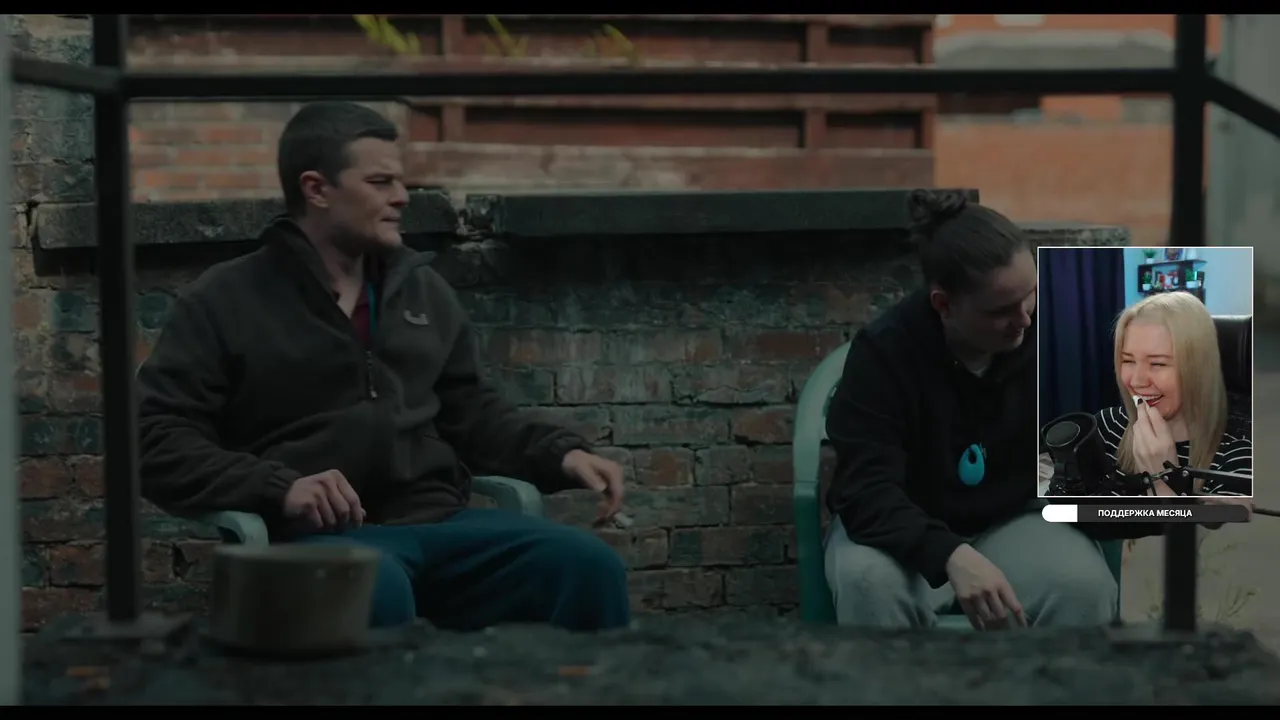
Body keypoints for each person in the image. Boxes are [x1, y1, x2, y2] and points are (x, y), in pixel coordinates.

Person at [136, 101, 631, 633]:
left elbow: (473, 415)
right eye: (380, 182)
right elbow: (154, 439)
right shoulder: (226, 299)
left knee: (586, 567)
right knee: (373, 586)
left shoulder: (422, 291)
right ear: (317, 189)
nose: (402, 197)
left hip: (440, 522)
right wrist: (278, 487)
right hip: (315, 538)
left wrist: (561, 454)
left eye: (400, 181)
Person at [823, 190, 1148, 631]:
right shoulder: (885, 354)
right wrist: (951, 555)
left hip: (1013, 520)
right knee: (867, 584)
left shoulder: (1054, 340)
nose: (1025, 319)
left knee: (1082, 587)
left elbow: (1086, 476)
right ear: (944, 304)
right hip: (900, 531)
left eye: (1031, 295)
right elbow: (865, 491)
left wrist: (1178, 505)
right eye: (1001, 311)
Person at [1086, 291, 1253, 511]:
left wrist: (1161, 481)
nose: (1136, 381)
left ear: (1199, 368)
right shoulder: (1106, 426)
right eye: (1128, 361)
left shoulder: (1239, 458)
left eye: (1158, 364)